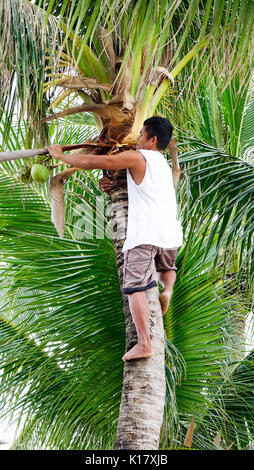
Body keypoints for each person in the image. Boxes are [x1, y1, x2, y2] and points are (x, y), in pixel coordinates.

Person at [46, 116, 183, 362]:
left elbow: (95, 160)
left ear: (153, 140)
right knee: (166, 267)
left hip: (145, 235)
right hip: (170, 233)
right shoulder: (162, 165)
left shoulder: (139, 157)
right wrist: (109, 181)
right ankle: (168, 290)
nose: (138, 139)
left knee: (133, 287)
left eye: (141, 135)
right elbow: (137, 185)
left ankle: (143, 342)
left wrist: (61, 156)